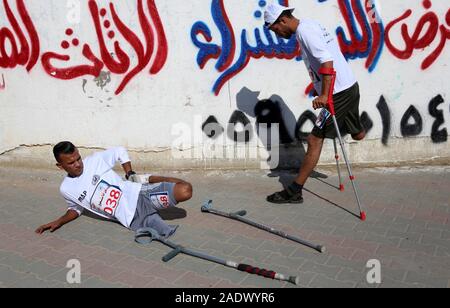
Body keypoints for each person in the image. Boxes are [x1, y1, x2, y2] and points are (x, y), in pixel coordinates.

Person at [264, 2, 366, 204]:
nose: (277, 33)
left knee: (313, 140)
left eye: (275, 29)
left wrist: (325, 95)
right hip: (350, 87)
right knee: (357, 134)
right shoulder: (310, 25)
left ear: (282, 20)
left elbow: (326, 61)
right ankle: (355, 126)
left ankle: (294, 191)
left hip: (337, 94)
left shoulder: (305, 33)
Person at [35, 141, 193, 238]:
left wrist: (129, 172)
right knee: (166, 233)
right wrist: (59, 221)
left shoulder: (94, 161)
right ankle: (150, 205)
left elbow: (119, 151)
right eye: (71, 162)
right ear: (60, 166)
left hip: (140, 195)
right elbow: (76, 209)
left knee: (185, 190)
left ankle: (146, 179)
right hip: (132, 219)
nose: (78, 164)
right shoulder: (66, 188)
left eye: (78, 158)